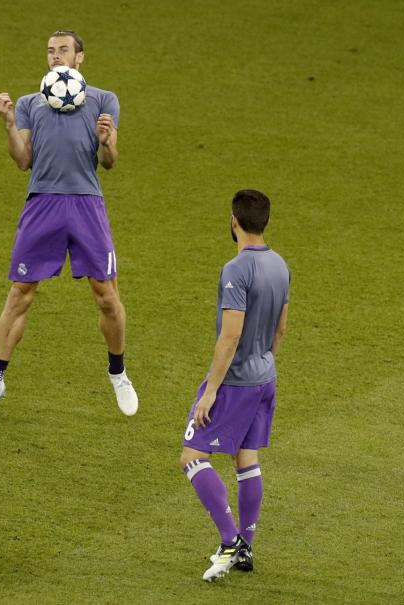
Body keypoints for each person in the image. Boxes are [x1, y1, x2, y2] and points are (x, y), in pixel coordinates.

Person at [0, 30, 138, 421]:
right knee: (20, 293)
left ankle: (118, 373)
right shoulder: (29, 103)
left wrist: (107, 140)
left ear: (80, 58)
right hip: (42, 203)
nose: (56, 56)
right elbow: (22, 160)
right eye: (50, 51)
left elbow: (110, 162)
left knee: (106, 295)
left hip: (86, 204)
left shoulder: (104, 100)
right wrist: (9, 124)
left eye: (63, 50)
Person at [178, 189, 290, 581]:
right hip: (266, 376)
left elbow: (230, 337)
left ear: (234, 221)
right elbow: (281, 328)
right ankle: (246, 546)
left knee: (192, 455)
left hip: (237, 382)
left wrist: (211, 390)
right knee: (246, 459)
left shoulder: (237, 269)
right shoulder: (280, 265)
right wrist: (265, 360)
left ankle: (230, 542)